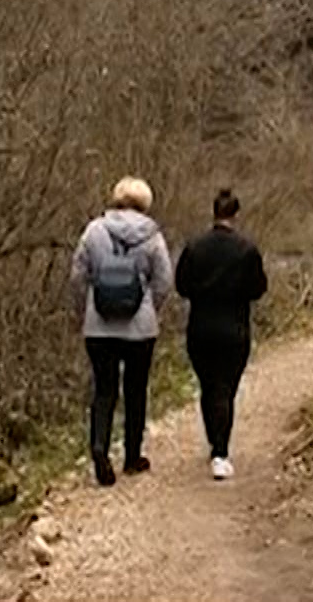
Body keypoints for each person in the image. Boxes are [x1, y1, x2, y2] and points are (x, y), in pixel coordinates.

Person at [70, 175, 174, 486]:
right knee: (135, 389)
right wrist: (148, 308)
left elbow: (77, 276)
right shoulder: (153, 236)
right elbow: (164, 280)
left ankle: (100, 449)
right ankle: (132, 456)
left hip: (98, 326)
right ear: (145, 201)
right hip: (140, 329)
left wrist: (85, 309)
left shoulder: (93, 230)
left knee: (103, 390)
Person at [175, 188, 267, 481]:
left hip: (200, 327)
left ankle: (214, 441)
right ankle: (220, 452)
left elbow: (182, 286)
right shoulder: (247, 249)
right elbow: (258, 289)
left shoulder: (194, 247)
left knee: (208, 386)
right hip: (234, 329)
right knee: (226, 389)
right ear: (236, 215)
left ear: (213, 212)